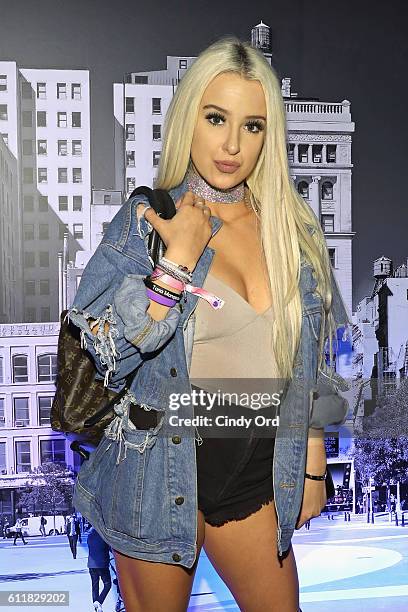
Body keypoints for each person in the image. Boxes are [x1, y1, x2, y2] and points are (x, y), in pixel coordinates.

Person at [67, 37, 350, 612]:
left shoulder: (293, 231)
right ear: (188, 118)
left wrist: (314, 462)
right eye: (216, 118)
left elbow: (314, 352)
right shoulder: (149, 219)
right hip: (155, 464)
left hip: (256, 468)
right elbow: (106, 351)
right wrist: (174, 264)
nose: (231, 144)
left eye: (253, 126)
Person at [87, 527, 112, 612]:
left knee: (95, 586)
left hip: (91, 564)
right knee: (107, 584)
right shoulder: (104, 536)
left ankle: (96, 607)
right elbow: (110, 549)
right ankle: (99, 601)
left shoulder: (89, 536)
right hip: (102, 564)